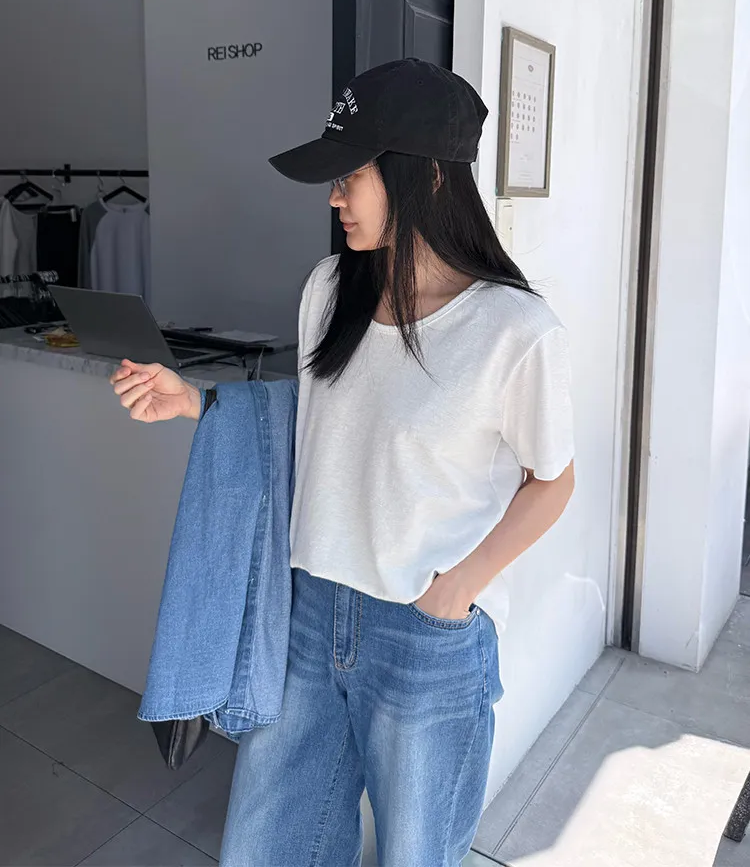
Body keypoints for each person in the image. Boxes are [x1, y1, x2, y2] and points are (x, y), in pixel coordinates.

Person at [109, 57, 575, 867]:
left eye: (350, 176)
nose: (334, 199)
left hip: (424, 636)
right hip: (309, 611)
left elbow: (553, 482)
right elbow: (319, 417)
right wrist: (195, 401)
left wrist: (454, 591)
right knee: (266, 847)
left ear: (428, 176)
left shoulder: (514, 331)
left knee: (414, 854)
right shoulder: (329, 289)